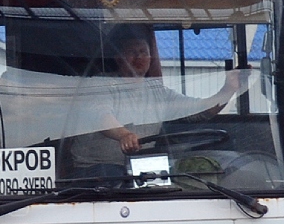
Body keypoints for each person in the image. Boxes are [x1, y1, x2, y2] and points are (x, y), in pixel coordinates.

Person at [72, 26, 252, 172]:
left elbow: (199, 111)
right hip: (97, 170)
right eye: (132, 52)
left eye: (143, 51)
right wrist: (124, 135)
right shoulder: (100, 84)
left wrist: (229, 89)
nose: (139, 57)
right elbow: (101, 117)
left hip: (141, 168)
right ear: (119, 57)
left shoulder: (157, 92)